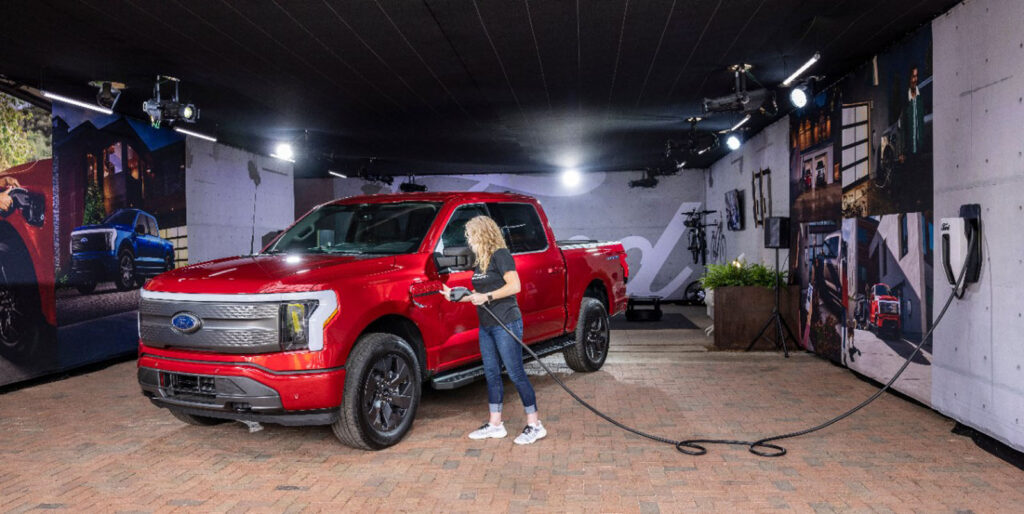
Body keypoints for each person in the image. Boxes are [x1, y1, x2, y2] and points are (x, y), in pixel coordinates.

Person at [441, 215, 546, 445]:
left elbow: (514, 286)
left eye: (470, 235)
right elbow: (479, 294)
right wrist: (458, 296)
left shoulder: (501, 255)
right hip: (487, 325)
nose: (468, 239)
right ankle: (496, 424)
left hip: (506, 323)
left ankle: (535, 425)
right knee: (491, 373)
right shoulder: (481, 261)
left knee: (515, 372)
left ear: (482, 234)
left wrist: (486, 296)